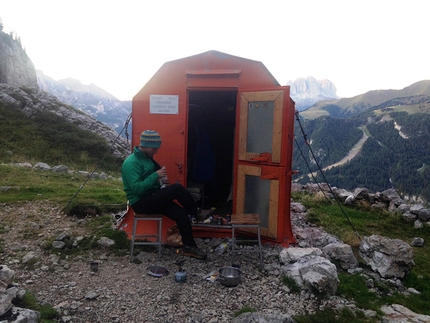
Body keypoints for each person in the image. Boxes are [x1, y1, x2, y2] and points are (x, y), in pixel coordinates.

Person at [121, 130, 207, 259]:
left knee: (181, 214)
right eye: (154, 149)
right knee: (177, 189)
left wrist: (160, 181)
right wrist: (156, 175)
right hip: (140, 202)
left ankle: (189, 247)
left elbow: (148, 181)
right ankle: (197, 213)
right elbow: (137, 189)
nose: (156, 152)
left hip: (152, 197)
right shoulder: (131, 163)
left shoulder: (147, 159)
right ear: (144, 145)